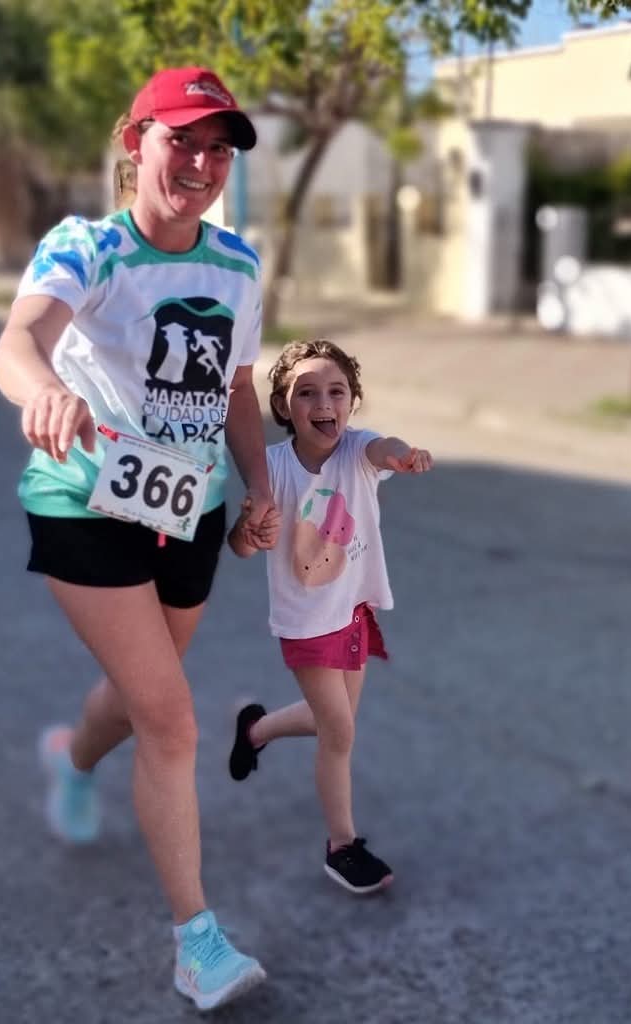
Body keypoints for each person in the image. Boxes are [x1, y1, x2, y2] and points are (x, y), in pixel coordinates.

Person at [0, 66, 280, 1012]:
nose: (199, 162)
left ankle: (67, 760)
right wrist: (45, 392)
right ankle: (197, 943)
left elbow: (236, 388)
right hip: (83, 498)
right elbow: (20, 339)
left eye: (218, 146)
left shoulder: (237, 264)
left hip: (186, 508)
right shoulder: (89, 247)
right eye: (180, 140)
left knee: (136, 692)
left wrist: (261, 487)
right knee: (172, 718)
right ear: (135, 143)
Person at [226, 339, 433, 895]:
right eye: (306, 392)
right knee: (338, 731)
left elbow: (382, 448)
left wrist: (402, 453)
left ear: (352, 402)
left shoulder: (358, 451)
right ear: (284, 406)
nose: (324, 401)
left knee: (330, 722)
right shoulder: (268, 469)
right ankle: (341, 847)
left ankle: (257, 728)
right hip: (305, 622)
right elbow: (243, 546)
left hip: (352, 612)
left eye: (336, 391)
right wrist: (248, 532)